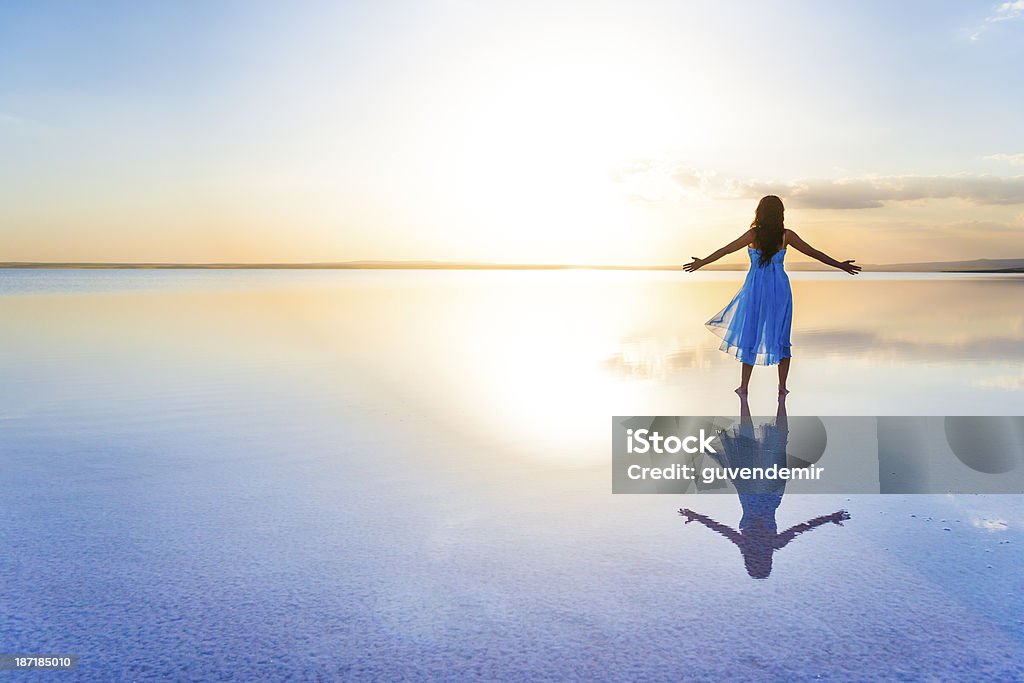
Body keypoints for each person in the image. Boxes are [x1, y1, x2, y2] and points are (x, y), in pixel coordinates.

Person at [683, 195, 860, 395]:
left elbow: (725, 250)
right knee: (781, 335)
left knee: (751, 332)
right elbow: (814, 253)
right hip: (779, 290)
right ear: (780, 214)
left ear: (760, 213)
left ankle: (744, 387)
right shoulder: (786, 236)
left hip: (756, 289)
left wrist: (702, 263)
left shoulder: (753, 235)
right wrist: (840, 266)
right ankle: (782, 387)